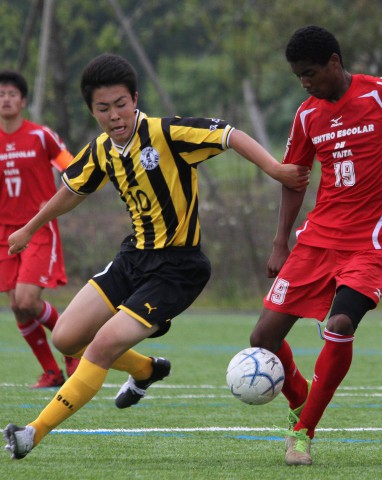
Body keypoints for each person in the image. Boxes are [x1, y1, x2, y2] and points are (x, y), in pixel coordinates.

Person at [2, 53, 309, 460]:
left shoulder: (167, 132)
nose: (114, 115)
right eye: (103, 108)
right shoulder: (100, 150)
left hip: (178, 268)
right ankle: (147, 370)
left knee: (100, 348)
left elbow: (229, 134)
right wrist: (30, 228)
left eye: (121, 104)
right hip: (133, 258)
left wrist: (275, 169)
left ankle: (31, 433)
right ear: (92, 110)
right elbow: (71, 191)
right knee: (67, 338)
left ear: (135, 99)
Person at [248, 25, 382, 466]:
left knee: (339, 324)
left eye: (311, 73)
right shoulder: (307, 115)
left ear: (335, 63)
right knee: (262, 338)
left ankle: (303, 432)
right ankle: (302, 401)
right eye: (299, 75)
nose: (306, 82)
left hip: (370, 244)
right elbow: (294, 179)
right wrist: (280, 241)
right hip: (316, 240)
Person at [0, 70, 80, 388]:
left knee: (28, 300)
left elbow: (71, 166)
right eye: (1, 94)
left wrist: (73, 176)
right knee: (17, 306)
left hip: (37, 228)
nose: (5, 99)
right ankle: (51, 371)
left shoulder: (40, 136)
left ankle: (72, 348)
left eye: (11, 94)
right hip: (3, 233)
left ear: (23, 101)